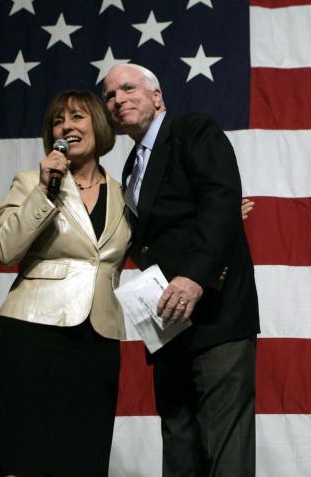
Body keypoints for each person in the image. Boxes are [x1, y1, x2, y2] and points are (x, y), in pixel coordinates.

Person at [103, 63, 260, 476]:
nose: (117, 99)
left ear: (157, 97)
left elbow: (219, 196)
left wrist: (194, 275)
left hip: (215, 315)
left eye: (127, 88)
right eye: (109, 95)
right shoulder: (130, 168)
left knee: (226, 446)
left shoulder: (192, 130)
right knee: (178, 442)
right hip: (168, 323)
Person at [0, 89, 131, 476]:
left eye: (77, 117)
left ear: (98, 126)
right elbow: (4, 247)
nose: (66, 126)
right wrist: (45, 193)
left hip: (96, 340)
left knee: (83, 459)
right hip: (32, 337)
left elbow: (157, 246)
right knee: (25, 458)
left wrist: (213, 221)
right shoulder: (32, 181)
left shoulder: (124, 193)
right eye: (57, 121)